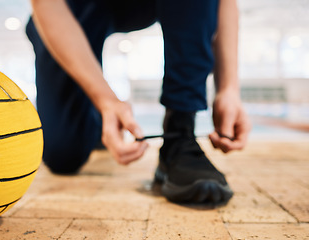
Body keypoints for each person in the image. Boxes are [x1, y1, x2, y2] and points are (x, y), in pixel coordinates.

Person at [26, 0, 251, 205]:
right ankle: (93, 116)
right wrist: (105, 101)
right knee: (64, 154)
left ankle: (180, 129)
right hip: (73, 7)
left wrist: (228, 89)